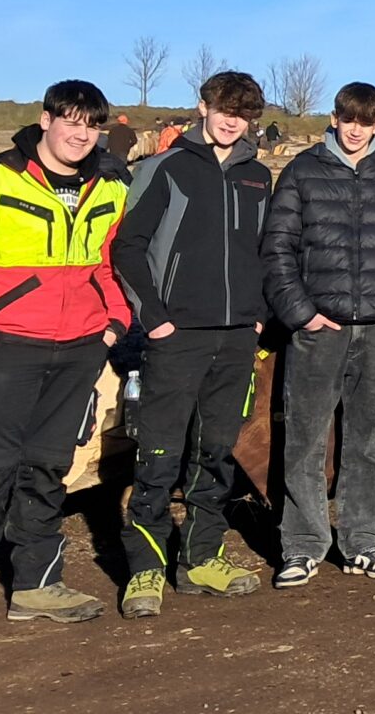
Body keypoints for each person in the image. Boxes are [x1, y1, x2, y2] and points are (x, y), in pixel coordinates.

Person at [0, 81, 130, 648]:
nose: (80, 133)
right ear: (45, 120)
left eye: (91, 125)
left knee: (47, 467)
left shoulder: (111, 185)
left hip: (81, 346)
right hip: (5, 347)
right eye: (70, 121)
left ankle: (36, 585)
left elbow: (112, 262)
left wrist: (113, 322)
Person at [110, 69, 274, 617]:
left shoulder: (258, 177)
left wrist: (256, 319)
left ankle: (201, 558)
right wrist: (153, 319)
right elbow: (128, 248)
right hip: (175, 336)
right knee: (158, 454)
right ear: (204, 107)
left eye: (244, 113)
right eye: (225, 109)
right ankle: (146, 569)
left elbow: (264, 254)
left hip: (235, 338)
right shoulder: (165, 168)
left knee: (217, 453)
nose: (233, 121)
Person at [262, 81, 375, 586]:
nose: (356, 130)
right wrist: (301, 313)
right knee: (306, 437)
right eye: (348, 119)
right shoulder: (303, 171)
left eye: (367, 121)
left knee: (367, 439)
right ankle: (303, 544)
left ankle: (361, 540)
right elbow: (278, 250)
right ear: (334, 119)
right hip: (318, 328)